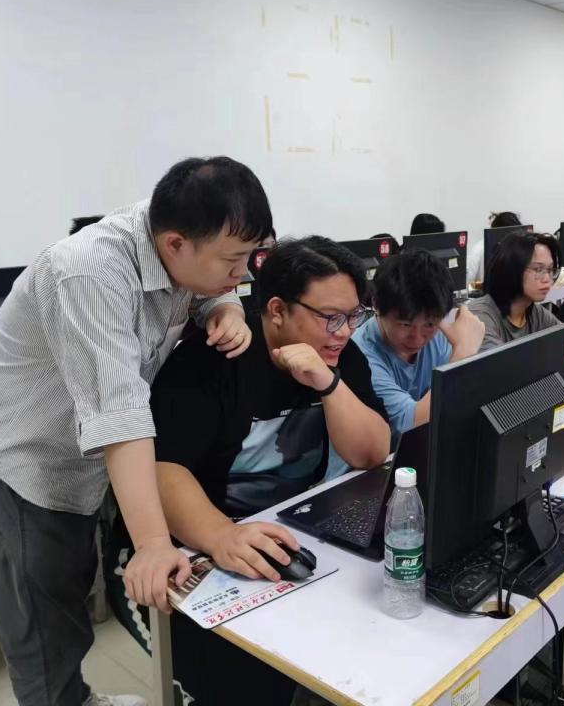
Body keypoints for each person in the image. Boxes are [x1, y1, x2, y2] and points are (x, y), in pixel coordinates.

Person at [0, 156, 267, 706]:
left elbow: (206, 283)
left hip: (82, 463)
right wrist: (153, 545)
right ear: (175, 244)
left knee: (68, 595)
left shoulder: (181, 232)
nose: (242, 275)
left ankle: (77, 698)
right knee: (40, 627)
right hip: (21, 463)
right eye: (234, 262)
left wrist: (225, 308)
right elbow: (120, 415)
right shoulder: (89, 272)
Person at [105, 236, 391, 705]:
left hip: (278, 536)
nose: (343, 331)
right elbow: (164, 469)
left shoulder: (338, 354)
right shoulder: (210, 361)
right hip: (177, 552)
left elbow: (371, 452)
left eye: (354, 316)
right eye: (330, 317)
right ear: (277, 310)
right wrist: (222, 535)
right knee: (243, 685)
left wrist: (328, 382)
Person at [354, 249, 485, 434]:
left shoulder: (440, 333)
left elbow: (467, 397)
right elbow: (410, 424)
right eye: (405, 324)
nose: (417, 338)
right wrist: (463, 353)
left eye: (429, 324)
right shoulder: (359, 355)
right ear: (376, 304)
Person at [468, 232, 561, 351]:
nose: (547, 279)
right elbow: (502, 361)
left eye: (550, 270)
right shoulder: (479, 316)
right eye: (538, 269)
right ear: (512, 270)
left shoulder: (536, 314)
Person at [466, 211, 521, 288]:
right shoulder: (478, 250)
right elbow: (467, 284)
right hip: (487, 293)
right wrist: (480, 286)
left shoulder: (519, 248)